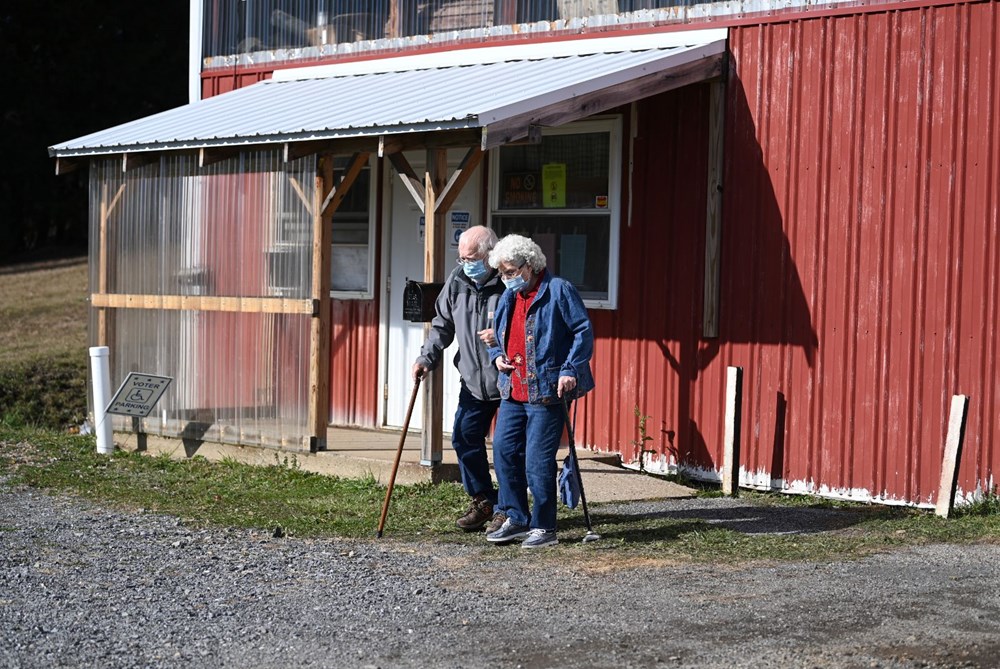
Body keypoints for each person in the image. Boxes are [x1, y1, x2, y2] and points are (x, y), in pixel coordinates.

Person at [484, 234, 594, 549]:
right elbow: (500, 338)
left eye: (510, 271)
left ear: (529, 266)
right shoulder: (509, 297)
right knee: (504, 451)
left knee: (537, 461)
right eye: (502, 273)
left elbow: (582, 331)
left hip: (546, 391)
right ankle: (516, 517)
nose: (506, 278)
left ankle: (544, 527)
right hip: (513, 389)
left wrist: (570, 369)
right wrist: (497, 356)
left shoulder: (559, 290)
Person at [412, 225, 507, 532]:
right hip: (473, 380)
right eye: (462, 258)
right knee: (464, 438)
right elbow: (442, 325)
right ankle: (484, 500)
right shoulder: (457, 281)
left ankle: (508, 509)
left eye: (472, 258)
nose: (466, 264)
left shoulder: (508, 281)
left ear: (490, 255)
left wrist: (501, 337)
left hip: (507, 380)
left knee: (506, 447)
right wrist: (426, 358)